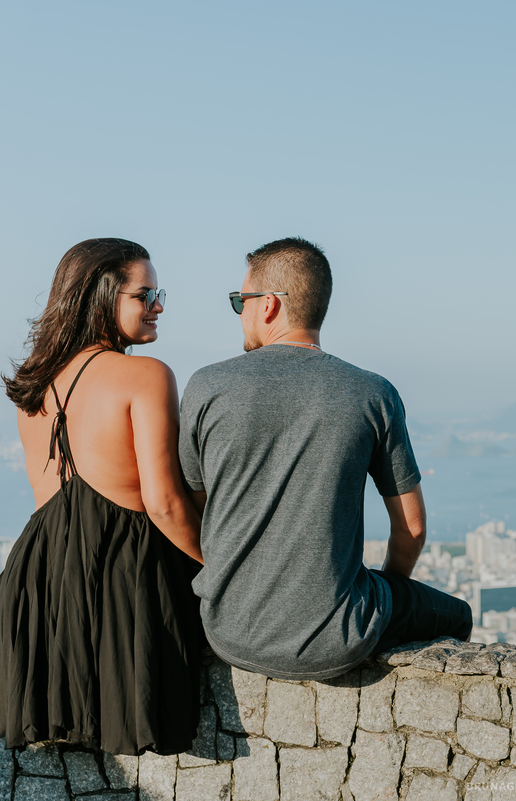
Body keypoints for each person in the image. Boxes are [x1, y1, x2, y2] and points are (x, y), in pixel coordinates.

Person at [0, 238, 206, 755]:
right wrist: (221, 571)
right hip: (125, 581)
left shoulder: (33, 387)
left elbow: (49, 504)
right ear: (100, 296)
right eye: (145, 294)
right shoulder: (146, 376)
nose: (158, 306)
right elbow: (164, 504)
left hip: (39, 589)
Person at [178, 236, 471, 682]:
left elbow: (196, 505)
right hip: (338, 639)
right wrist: (390, 589)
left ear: (269, 306)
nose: (241, 314)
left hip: (227, 630)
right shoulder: (372, 393)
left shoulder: (206, 387)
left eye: (241, 301)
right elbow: (411, 529)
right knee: (459, 615)